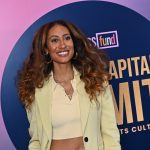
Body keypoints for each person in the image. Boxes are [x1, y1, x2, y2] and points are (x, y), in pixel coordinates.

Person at [18, 19, 121, 150]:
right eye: (54, 40)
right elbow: (36, 140)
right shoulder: (36, 90)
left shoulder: (96, 81)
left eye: (67, 38)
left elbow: (110, 132)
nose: (62, 45)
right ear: (46, 49)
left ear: (74, 42)